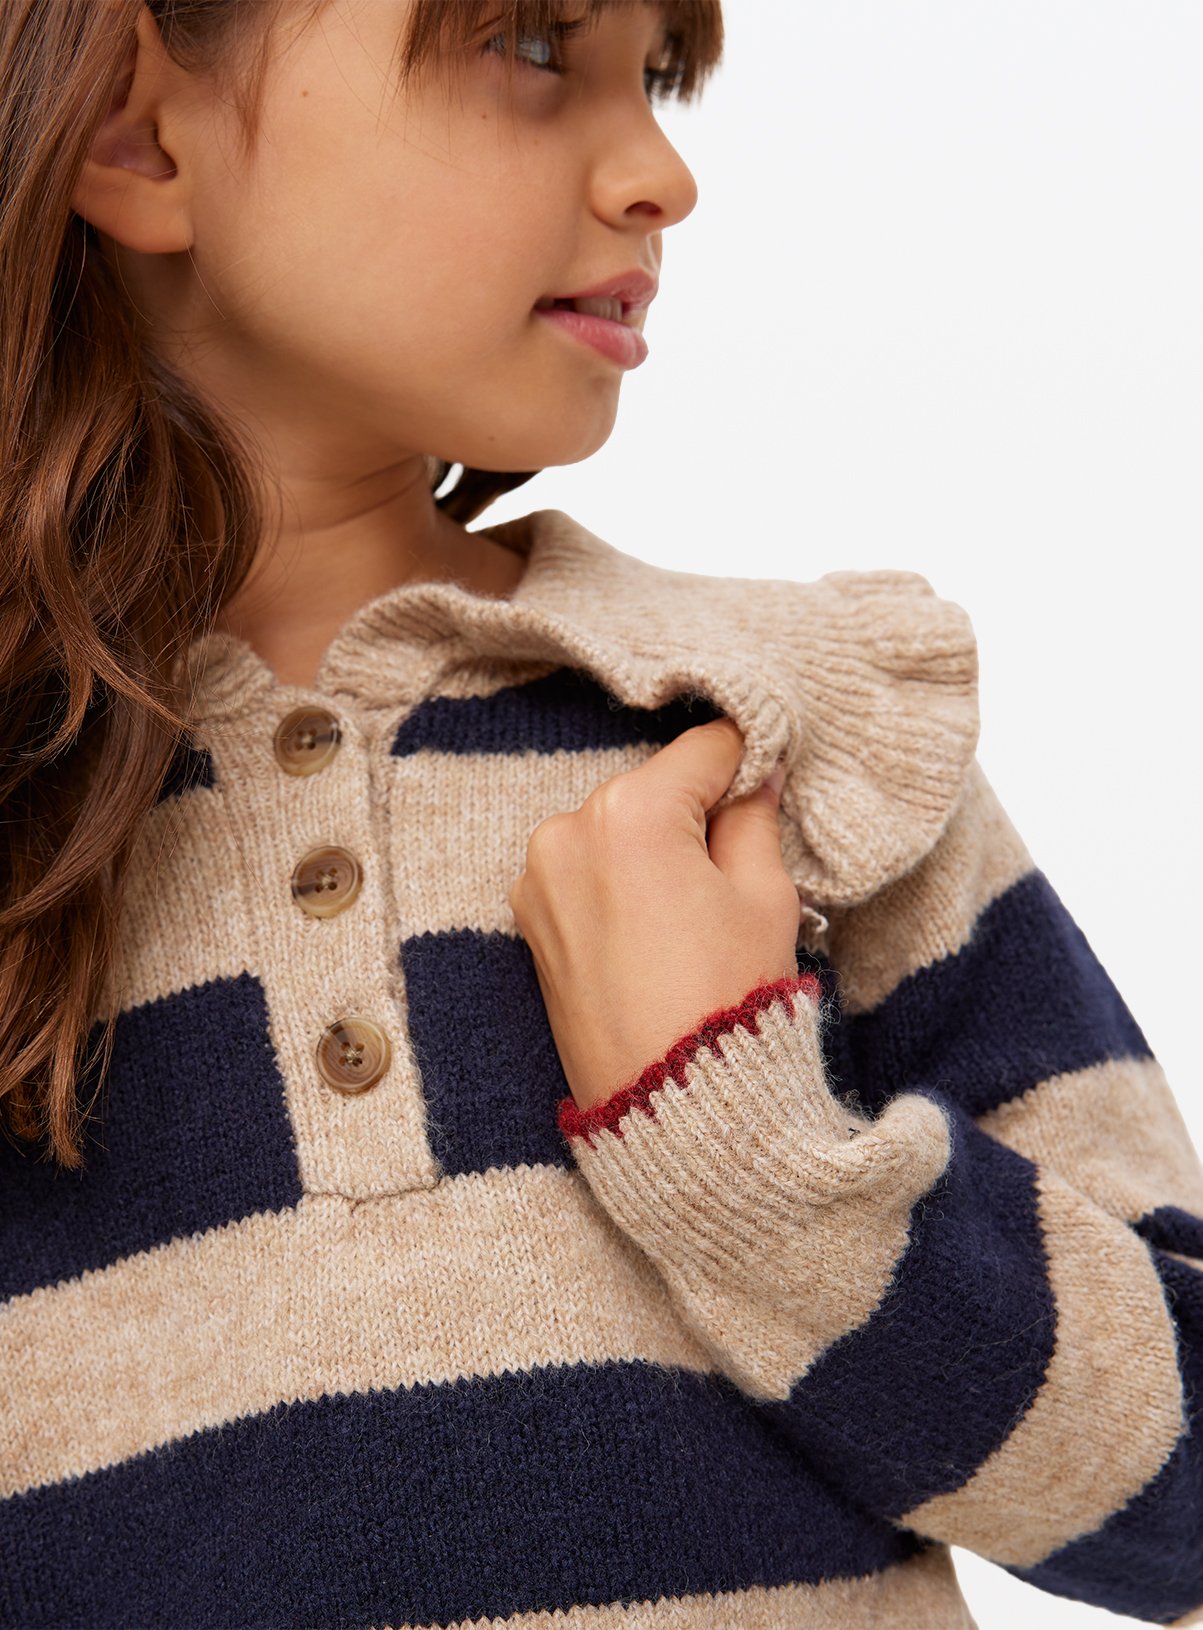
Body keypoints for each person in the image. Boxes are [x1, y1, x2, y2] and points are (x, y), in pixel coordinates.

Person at [0, 3, 1199, 1626]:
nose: (660, 174)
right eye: (534, 44)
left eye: (661, 77)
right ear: (141, 135)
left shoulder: (787, 735)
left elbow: (1181, 1499)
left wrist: (756, 1160)